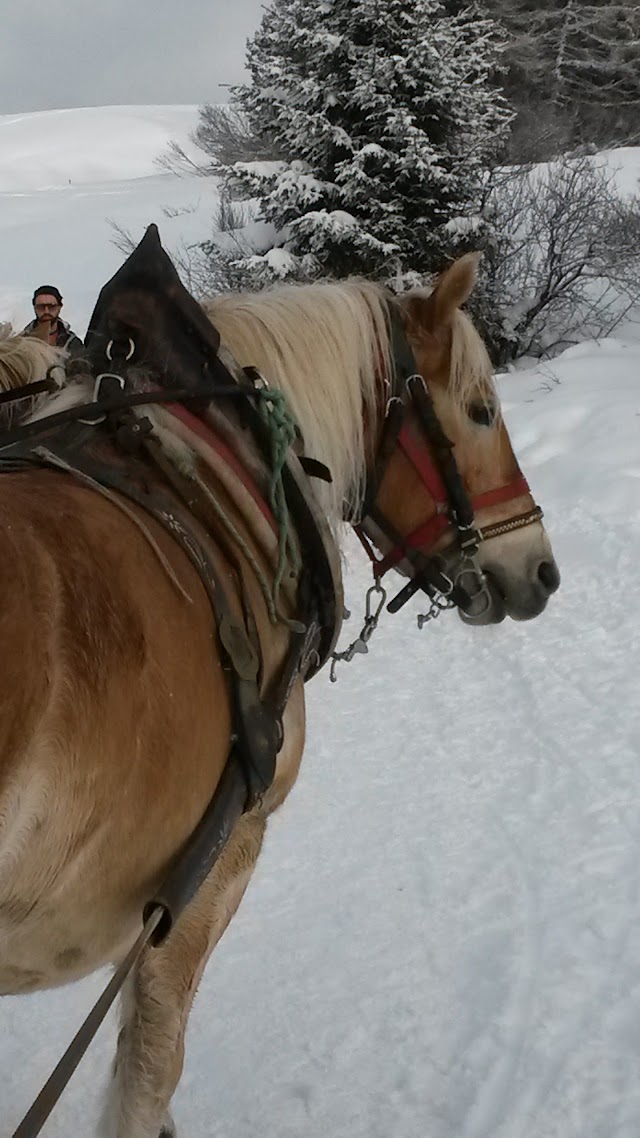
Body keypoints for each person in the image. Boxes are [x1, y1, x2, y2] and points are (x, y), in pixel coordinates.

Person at [21, 285, 83, 354]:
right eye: (41, 307)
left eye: (51, 306)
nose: (46, 311)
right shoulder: (21, 342)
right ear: (35, 308)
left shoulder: (73, 343)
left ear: (59, 307)